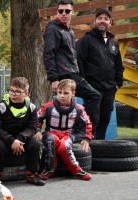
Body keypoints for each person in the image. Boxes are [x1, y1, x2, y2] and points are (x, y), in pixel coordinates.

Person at [43, 0, 101, 137]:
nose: (64, 14)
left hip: (72, 72)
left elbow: (71, 55)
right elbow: (48, 54)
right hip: (63, 74)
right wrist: (54, 78)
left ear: (72, 12)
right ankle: (84, 131)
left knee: (72, 102)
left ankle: (76, 129)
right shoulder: (53, 29)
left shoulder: (69, 29)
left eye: (67, 11)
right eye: (61, 11)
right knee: (94, 96)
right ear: (57, 12)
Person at [76, 8, 124, 140]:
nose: (102, 21)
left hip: (110, 88)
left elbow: (119, 66)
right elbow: (78, 61)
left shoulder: (113, 43)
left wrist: (118, 83)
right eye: (99, 18)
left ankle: (100, 147)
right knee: (91, 120)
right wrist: (85, 84)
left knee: (105, 119)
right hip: (93, 88)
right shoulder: (86, 40)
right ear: (95, 21)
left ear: (110, 23)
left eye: (106, 19)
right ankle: (87, 148)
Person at [0, 77, 45, 186]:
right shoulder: (0, 107)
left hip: (22, 139)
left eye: (18, 91)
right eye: (11, 90)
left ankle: (32, 173)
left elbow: (32, 128)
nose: (13, 94)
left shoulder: (32, 108)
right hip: (3, 138)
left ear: (26, 93)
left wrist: (19, 139)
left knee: (36, 144)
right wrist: (11, 141)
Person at [36, 79, 92, 181]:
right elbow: (37, 119)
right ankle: (49, 169)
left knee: (64, 146)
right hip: (50, 133)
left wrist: (86, 138)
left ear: (73, 94)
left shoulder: (79, 109)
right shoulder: (48, 107)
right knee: (51, 140)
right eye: (59, 92)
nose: (62, 96)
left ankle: (76, 170)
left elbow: (87, 123)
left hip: (68, 134)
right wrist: (38, 130)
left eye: (66, 93)